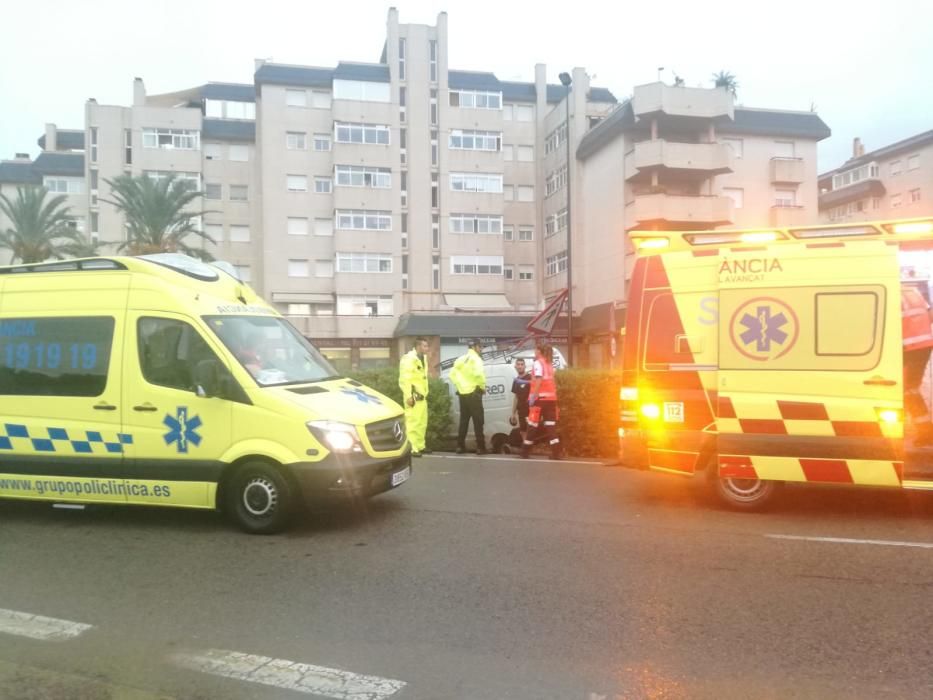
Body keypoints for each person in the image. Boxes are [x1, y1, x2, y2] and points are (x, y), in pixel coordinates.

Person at [901, 285, 933, 444]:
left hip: (909, 346)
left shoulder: (890, 291)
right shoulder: (911, 290)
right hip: (923, 344)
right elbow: (930, 314)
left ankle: (926, 432)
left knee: (908, 389)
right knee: (907, 387)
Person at [521, 340, 562, 460]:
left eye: (535, 350)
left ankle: (525, 451)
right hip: (551, 400)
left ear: (539, 351)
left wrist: (533, 397)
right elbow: (545, 381)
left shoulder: (538, 363)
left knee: (532, 425)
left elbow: (538, 380)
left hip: (540, 399)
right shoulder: (549, 364)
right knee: (551, 427)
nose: (534, 352)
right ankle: (556, 453)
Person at [449, 338, 487, 454]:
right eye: (480, 347)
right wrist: (482, 386)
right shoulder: (476, 359)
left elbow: (452, 374)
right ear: (475, 347)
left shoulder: (461, 359)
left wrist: (460, 386)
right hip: (474, 393)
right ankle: (480, 447)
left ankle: (460, 446)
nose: (481, 349)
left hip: (463, 394)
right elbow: (479, 374)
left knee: (464, 421)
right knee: (478, 421)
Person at [398, 337, 430, 458]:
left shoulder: (423, 358)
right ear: (418, 346)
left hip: (422, 396)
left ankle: (420, 446)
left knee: (422, 422)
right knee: (412, 423)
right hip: (413, 397)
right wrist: (408, 396)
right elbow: (404, 379)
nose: (427, 348)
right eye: (425, 346)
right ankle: (412, 448)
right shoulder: (408, 359)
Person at [510, 357, 532, 443]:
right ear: (515, 366)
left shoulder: (530, 378)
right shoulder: (516, 381)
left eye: (522, 364)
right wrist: (513, 413)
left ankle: (528, 448)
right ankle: (525, 448)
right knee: (523, 431)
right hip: (521, 411)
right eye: (518, 364)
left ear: (525, 366)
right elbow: (516, 397)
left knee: (531, 430)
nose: (520, 366)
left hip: (530, 410)